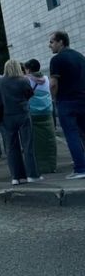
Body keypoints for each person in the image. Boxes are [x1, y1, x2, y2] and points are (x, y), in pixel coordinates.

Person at [0, 59, 42, 185]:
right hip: (23, 114)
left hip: (7, 116)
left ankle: (16, 177)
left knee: (11, 147)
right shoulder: (23, 80)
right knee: (28, 145)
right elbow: (29, 94)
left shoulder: (0, 82)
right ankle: (32, 175)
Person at [49, 31, 85, 179]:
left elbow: (53, 84)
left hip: (67, 102)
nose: (49, 45)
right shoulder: (80, 57)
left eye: (52, 42)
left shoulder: (57, 60)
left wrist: (54, 100)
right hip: (83, 100)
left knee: (71, 135)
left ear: (61, 42)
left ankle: (81, 168)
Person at [24, 58, 57, 174]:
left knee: (37, 143)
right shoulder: (46, 79)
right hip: (48, 112)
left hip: (33, 114)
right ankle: (52, 165)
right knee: (50, 139)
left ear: (28, 69)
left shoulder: (26, 80)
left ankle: (41, 167)